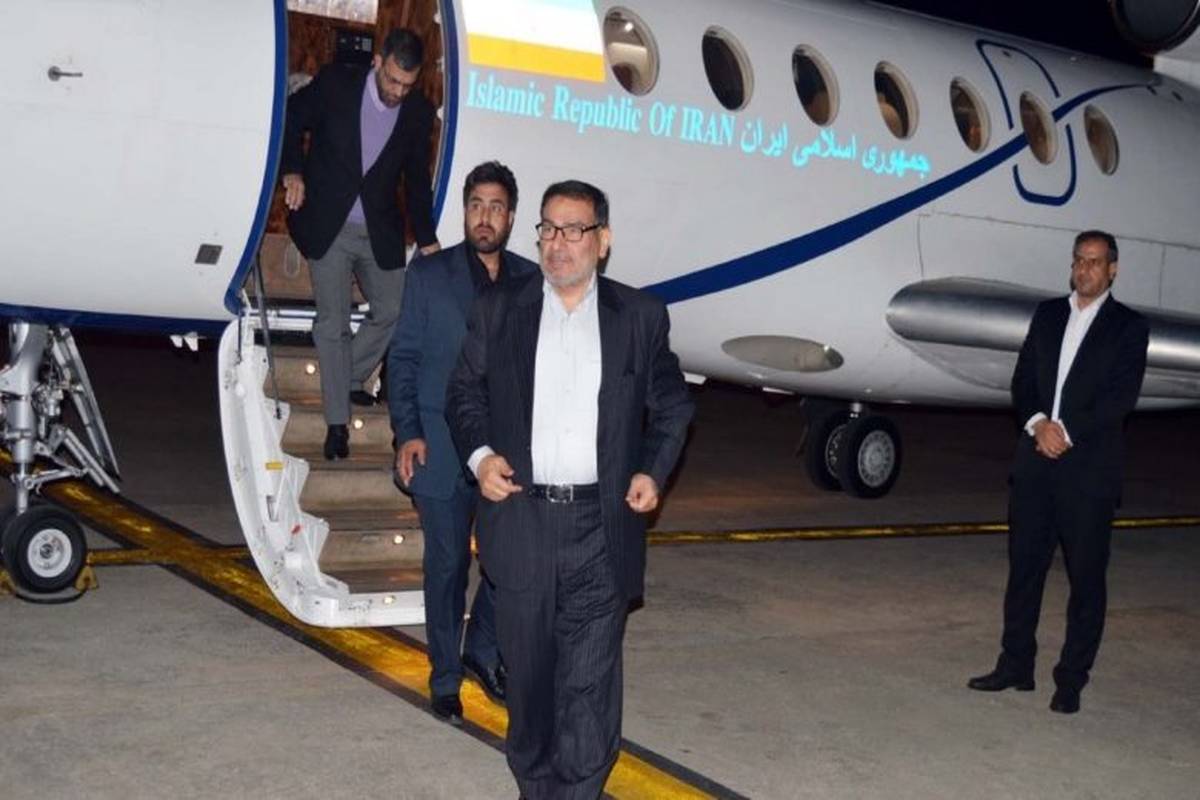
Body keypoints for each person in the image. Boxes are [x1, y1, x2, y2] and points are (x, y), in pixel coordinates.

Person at [446, 180, 694, 798]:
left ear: (602, 241)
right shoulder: (501, 309)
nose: (558, 244)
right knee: (529, 693)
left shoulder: (638, 317)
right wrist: (480, 457)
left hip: (598, 529)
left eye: (574, 230)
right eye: (548, 229)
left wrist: (651, 470)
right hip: (522, 521)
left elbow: (673, 405)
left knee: (587, 690)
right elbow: (463, 393)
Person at [968, 230, 1149, 714]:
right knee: (1024, 571)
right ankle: (1015, 665)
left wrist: (1064, 430)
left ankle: (1071, 679)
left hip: (1088, 474)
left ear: (1112, 269)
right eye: (1079, 260)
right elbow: (1023, 379)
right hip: (1034, 466)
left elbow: (1120, 398)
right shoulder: (1047, 314)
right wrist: (1037, 424)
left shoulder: (1129, 327)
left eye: (1095, 261)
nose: (1084, 269)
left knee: (1086, 581)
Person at [387, 161, 537, 726]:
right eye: (476, 205)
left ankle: (483, 648)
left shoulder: (531, 281)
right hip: (442, 448)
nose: (484, 217)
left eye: (495, 207)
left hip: (506, 453)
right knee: (447, 567)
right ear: (465, 212)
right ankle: (446, 678)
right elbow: (404, 358)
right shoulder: (430, 275)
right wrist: (408, 432)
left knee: (510, 562)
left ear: (511, 217)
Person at [280, 28, 440, 461]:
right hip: (328, 224)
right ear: (378, 62)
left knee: (394, 309)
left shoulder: (417, 112)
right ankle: (337, 424)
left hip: (378, 229)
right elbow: (290, 117)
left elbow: (417, 182)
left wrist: (427, 240)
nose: (398, 92)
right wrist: (293, 171)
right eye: (392, 80)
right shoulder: (336, 84)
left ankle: (346, 377)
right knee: (333, 322)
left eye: (407, 85)